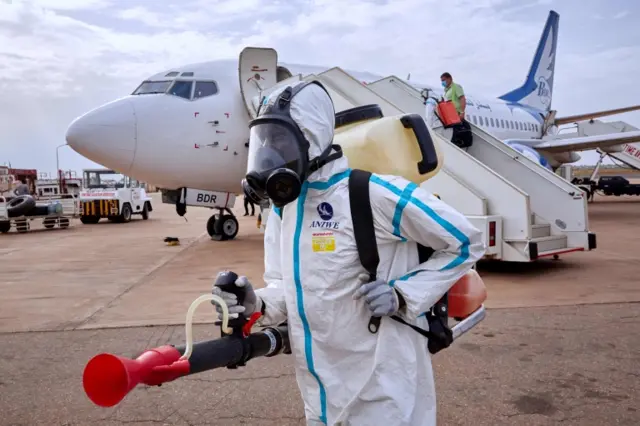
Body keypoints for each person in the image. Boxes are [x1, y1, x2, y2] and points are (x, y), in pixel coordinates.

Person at [214, 80, 486, 425]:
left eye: (280, 141)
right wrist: (258, 304)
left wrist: (403, 294)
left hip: (383, 390)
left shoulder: (373, 194)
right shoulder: (286, 211)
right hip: (320, 394)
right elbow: (289, 287)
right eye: (264, 143)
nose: (270, 155)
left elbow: (466, 242)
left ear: (310, 139)